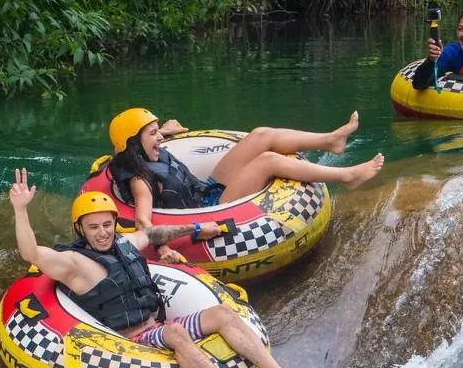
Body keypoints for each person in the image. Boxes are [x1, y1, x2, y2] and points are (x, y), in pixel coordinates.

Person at [9, 168, 315, 368]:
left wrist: (195, 229)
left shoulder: (124, 244)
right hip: (131, 340)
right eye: (93, 228)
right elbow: (31, 253)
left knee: (222, 313)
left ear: (115, 224)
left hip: (156, 324)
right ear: (81, 230)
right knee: (174, 333)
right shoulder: (74, 263)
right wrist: (21, 210)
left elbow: (155, 233)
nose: (102, 233)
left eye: (107, 225)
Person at [106, 108, 385, 263]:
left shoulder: (143, 152)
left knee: (261, 135)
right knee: (267, 161)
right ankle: (348, 176)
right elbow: (143, 220)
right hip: (211, 209)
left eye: (157, 132)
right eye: (152, 134)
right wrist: (162, 249)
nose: (159, 138)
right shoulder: (140, 179)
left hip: (205, 190)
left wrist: (165, 130)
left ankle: (331, 141)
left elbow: (143, 148)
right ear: (134, 143)